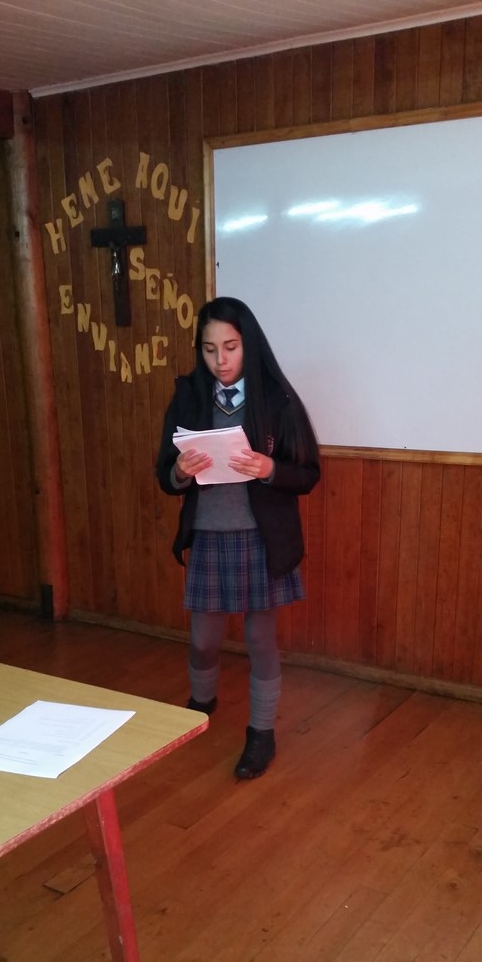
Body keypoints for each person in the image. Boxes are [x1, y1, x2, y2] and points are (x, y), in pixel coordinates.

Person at [156, 296, 320, 779]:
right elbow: (165, 474)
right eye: (209, 350)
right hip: (209, 535)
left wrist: (270, 469)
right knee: (203, 639)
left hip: (260, 538)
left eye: (230, 347)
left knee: (259, 638)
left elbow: (307, 473)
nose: (220, 360)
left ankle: (261, 732)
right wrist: (180, 472)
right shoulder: (189, 397)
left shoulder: (277, 399)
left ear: (249, 344)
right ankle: (200, 705)